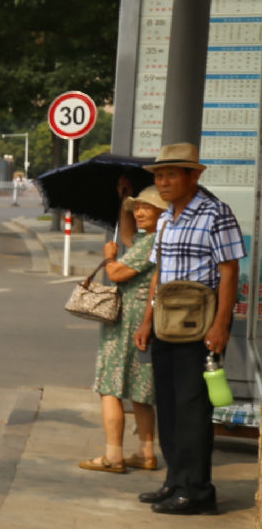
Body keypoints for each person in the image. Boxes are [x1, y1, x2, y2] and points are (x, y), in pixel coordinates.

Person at [132, 142, 243, 516]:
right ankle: (175, 480)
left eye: (170, 175)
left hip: (200, 326)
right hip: (166, 324)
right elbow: (158, 274)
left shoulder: (216, 214)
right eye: (159, 176)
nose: (163, 182)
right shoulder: (166, 218)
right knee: (169, 405)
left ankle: (197, 490)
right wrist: (146, 322)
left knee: (193, 407)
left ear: (193, 176)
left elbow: (229, 272)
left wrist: (221, 325)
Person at [79, 188, 164, 474]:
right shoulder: (154, 239)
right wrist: (124, 201)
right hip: (145, 316)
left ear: (162, 212)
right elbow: (128, 236)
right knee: (140, 388)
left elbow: (116, 273)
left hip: (129, 318)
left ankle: (113, 454)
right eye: (136, 208)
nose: (138, 213)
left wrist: (109, 258)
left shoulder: (151, 242)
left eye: (146, 208)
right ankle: (146, 451)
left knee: (110, 386)